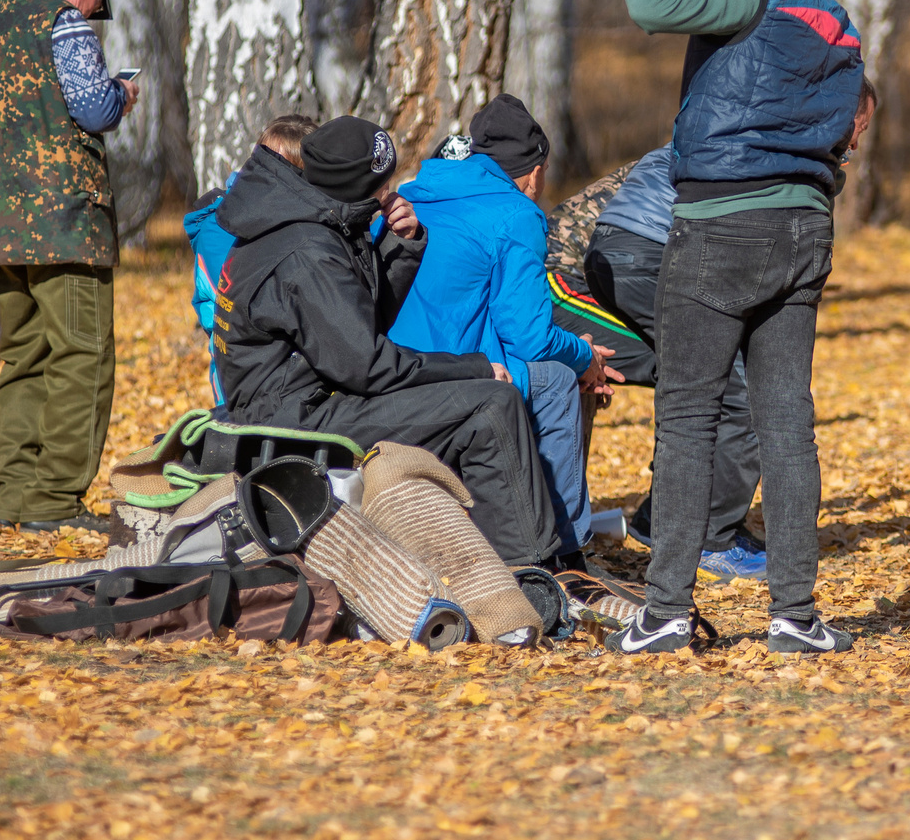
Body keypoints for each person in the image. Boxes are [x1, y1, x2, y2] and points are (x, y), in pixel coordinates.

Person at [605, 0, 864, 655]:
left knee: (686, 417)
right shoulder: (832, 13)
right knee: (786, 423)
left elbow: (656, 3)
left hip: (722, 225)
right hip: (805, 226)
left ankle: (667, 612)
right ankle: (797, 614)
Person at [212, 116, 565, 570]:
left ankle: (481, 556)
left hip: (308, 396)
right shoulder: (306, 250)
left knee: (474, 401)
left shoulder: (300, 213)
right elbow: (369, 365)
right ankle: (533, 572)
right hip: (293, 421)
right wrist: (474, 366)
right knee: (491, 405)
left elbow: (358, 323)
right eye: (382, 185)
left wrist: (404, 244)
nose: (389, 194)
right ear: (354, 186)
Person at [0, 0, 143, 535]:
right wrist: (123, 92)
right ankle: (55, 500)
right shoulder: (66, 25)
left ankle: (13, 494)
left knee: (22, 358)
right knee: (81, 359)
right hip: (66, 226)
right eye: (96, 0)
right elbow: (93, 110)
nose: (93, 14)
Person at [387, 95, 613, 555]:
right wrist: (586, 354)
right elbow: (528, 337)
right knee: (556, 379)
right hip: (452, 377)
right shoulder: (516, 214)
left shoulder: (413, 193)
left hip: (391, 370)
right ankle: (564, 552)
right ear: (533, 172)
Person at [547, 143, 769, 580]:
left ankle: (670, 519)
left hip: (612, 275)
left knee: (704, 372)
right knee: (706, 373)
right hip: (563, 277)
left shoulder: (721, 140)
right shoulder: (720, 148)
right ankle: (701, 534)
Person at [185, 113, 316, 404]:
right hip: (245, 384)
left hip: (294, 377)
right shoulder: (220, 228)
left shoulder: (298, 219)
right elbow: (246, 303)